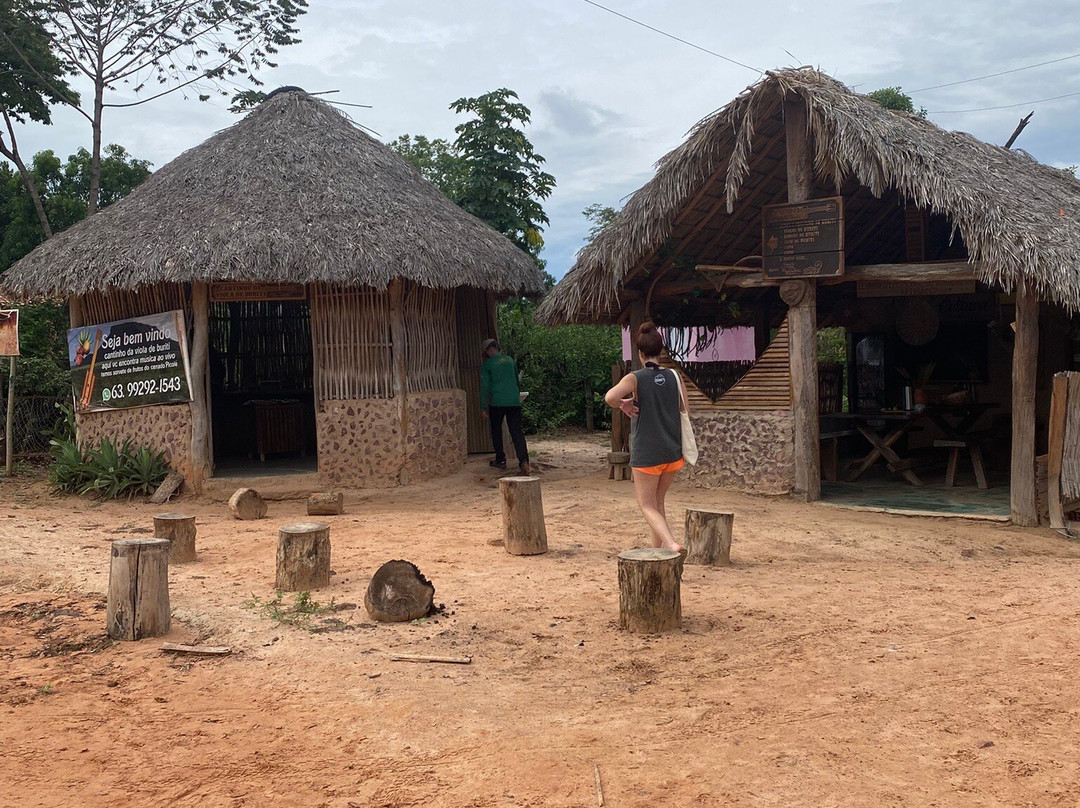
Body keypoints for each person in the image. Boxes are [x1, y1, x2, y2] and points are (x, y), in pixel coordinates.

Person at [604, 322, 688, 552]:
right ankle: (657, 552)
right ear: (661, 351)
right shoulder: (675, 376)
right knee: (658, 503)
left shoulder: (635, 378)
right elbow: (685, 411)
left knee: (647, 505)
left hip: (647, 453)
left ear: (640, 353)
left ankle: (670, 544)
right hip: (672, 451)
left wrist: (624, 404)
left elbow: (610, 398)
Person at [480, 338, 531, 475]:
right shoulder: (509, 360)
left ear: (487, 350)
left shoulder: (487, 364)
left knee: (496, 431)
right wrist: (516, 397)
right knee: (517, 432)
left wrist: (483, 407)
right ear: (497, 348)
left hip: (497, 402)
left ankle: (501, 460)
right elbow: (516, 381)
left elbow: (485, 387)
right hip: (514, 401)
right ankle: (524, 461)